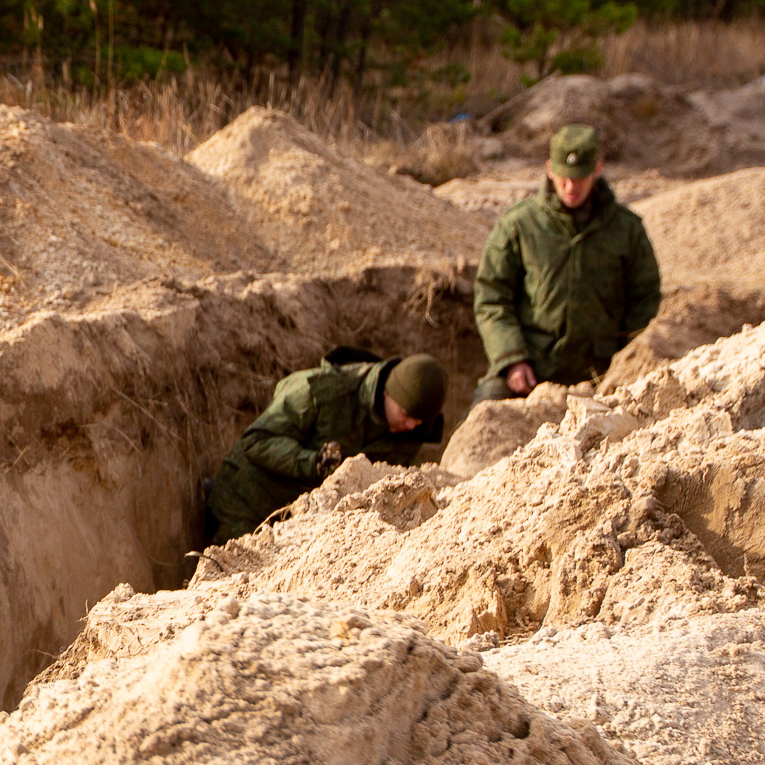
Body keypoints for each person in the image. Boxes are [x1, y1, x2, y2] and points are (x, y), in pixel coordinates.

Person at [472, 123, 661, 403]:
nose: (571, 187)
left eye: (580, 178)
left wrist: (626, 365)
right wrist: (511, 359)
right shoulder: (519, 225)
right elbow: (491, 296)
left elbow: (644, 301)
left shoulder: (626, 229)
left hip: (602, 373)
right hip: (532, 369)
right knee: (485, 412)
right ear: (549, 169)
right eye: (563, 177)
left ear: (597, 169)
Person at [206, 351, 447, 544]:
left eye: (419, 421)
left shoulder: (413, 429)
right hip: (246, 498)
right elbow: (256, 441)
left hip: (304, 519)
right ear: (386, 392)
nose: (411, 425)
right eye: (405, 414)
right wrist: (313, 463)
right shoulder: (322, 389)